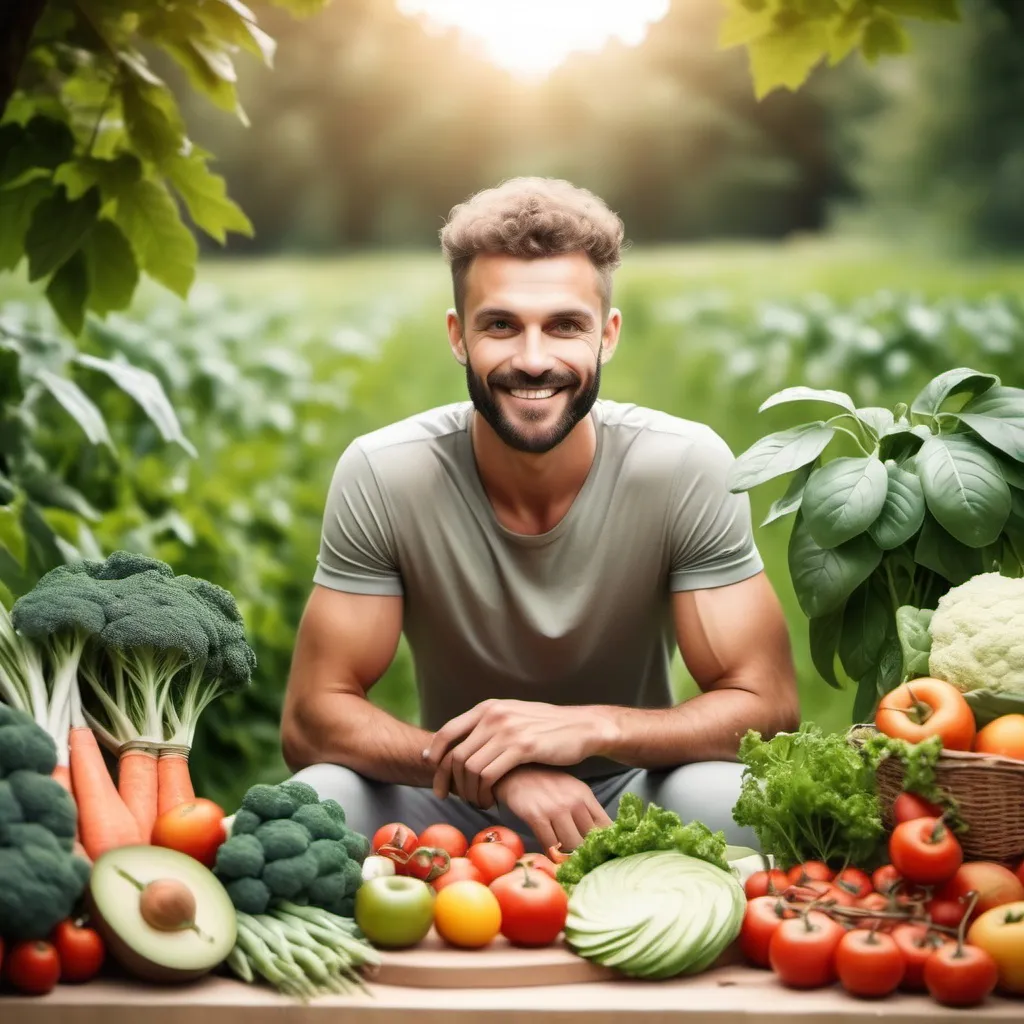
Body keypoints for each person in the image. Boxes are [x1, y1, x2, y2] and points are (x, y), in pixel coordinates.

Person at [281, 177, 800, 856]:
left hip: (630, 796)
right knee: (318, 799)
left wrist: (593, 729)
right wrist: (502, 774)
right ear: (458, 336)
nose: (532, 359)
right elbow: (312, 720)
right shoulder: (385, 472)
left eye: (564, 325)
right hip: (454, 797)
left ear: (606, 335)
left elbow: (767, 708)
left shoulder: (682, 465)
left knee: (750, 801)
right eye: (500, 325)